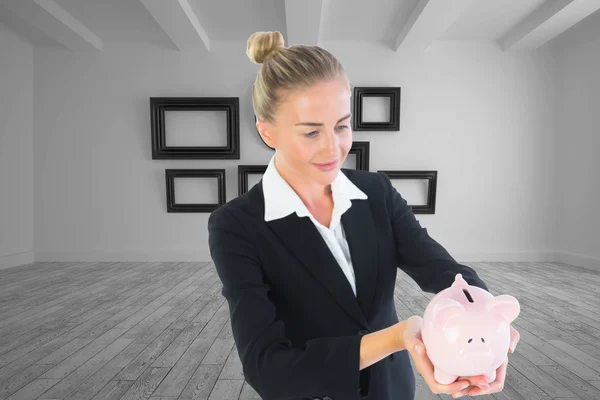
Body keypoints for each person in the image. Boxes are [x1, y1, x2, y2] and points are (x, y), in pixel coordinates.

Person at [208, 30, 520, 400]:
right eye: (311, 133)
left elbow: (440, 269)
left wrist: (483, 316)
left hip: (392, 389)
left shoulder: (376, 192)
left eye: (341, 126)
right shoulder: (236, 226)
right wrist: (395, 337)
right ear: (267, 132)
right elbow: (267, 369)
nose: (333, 148)